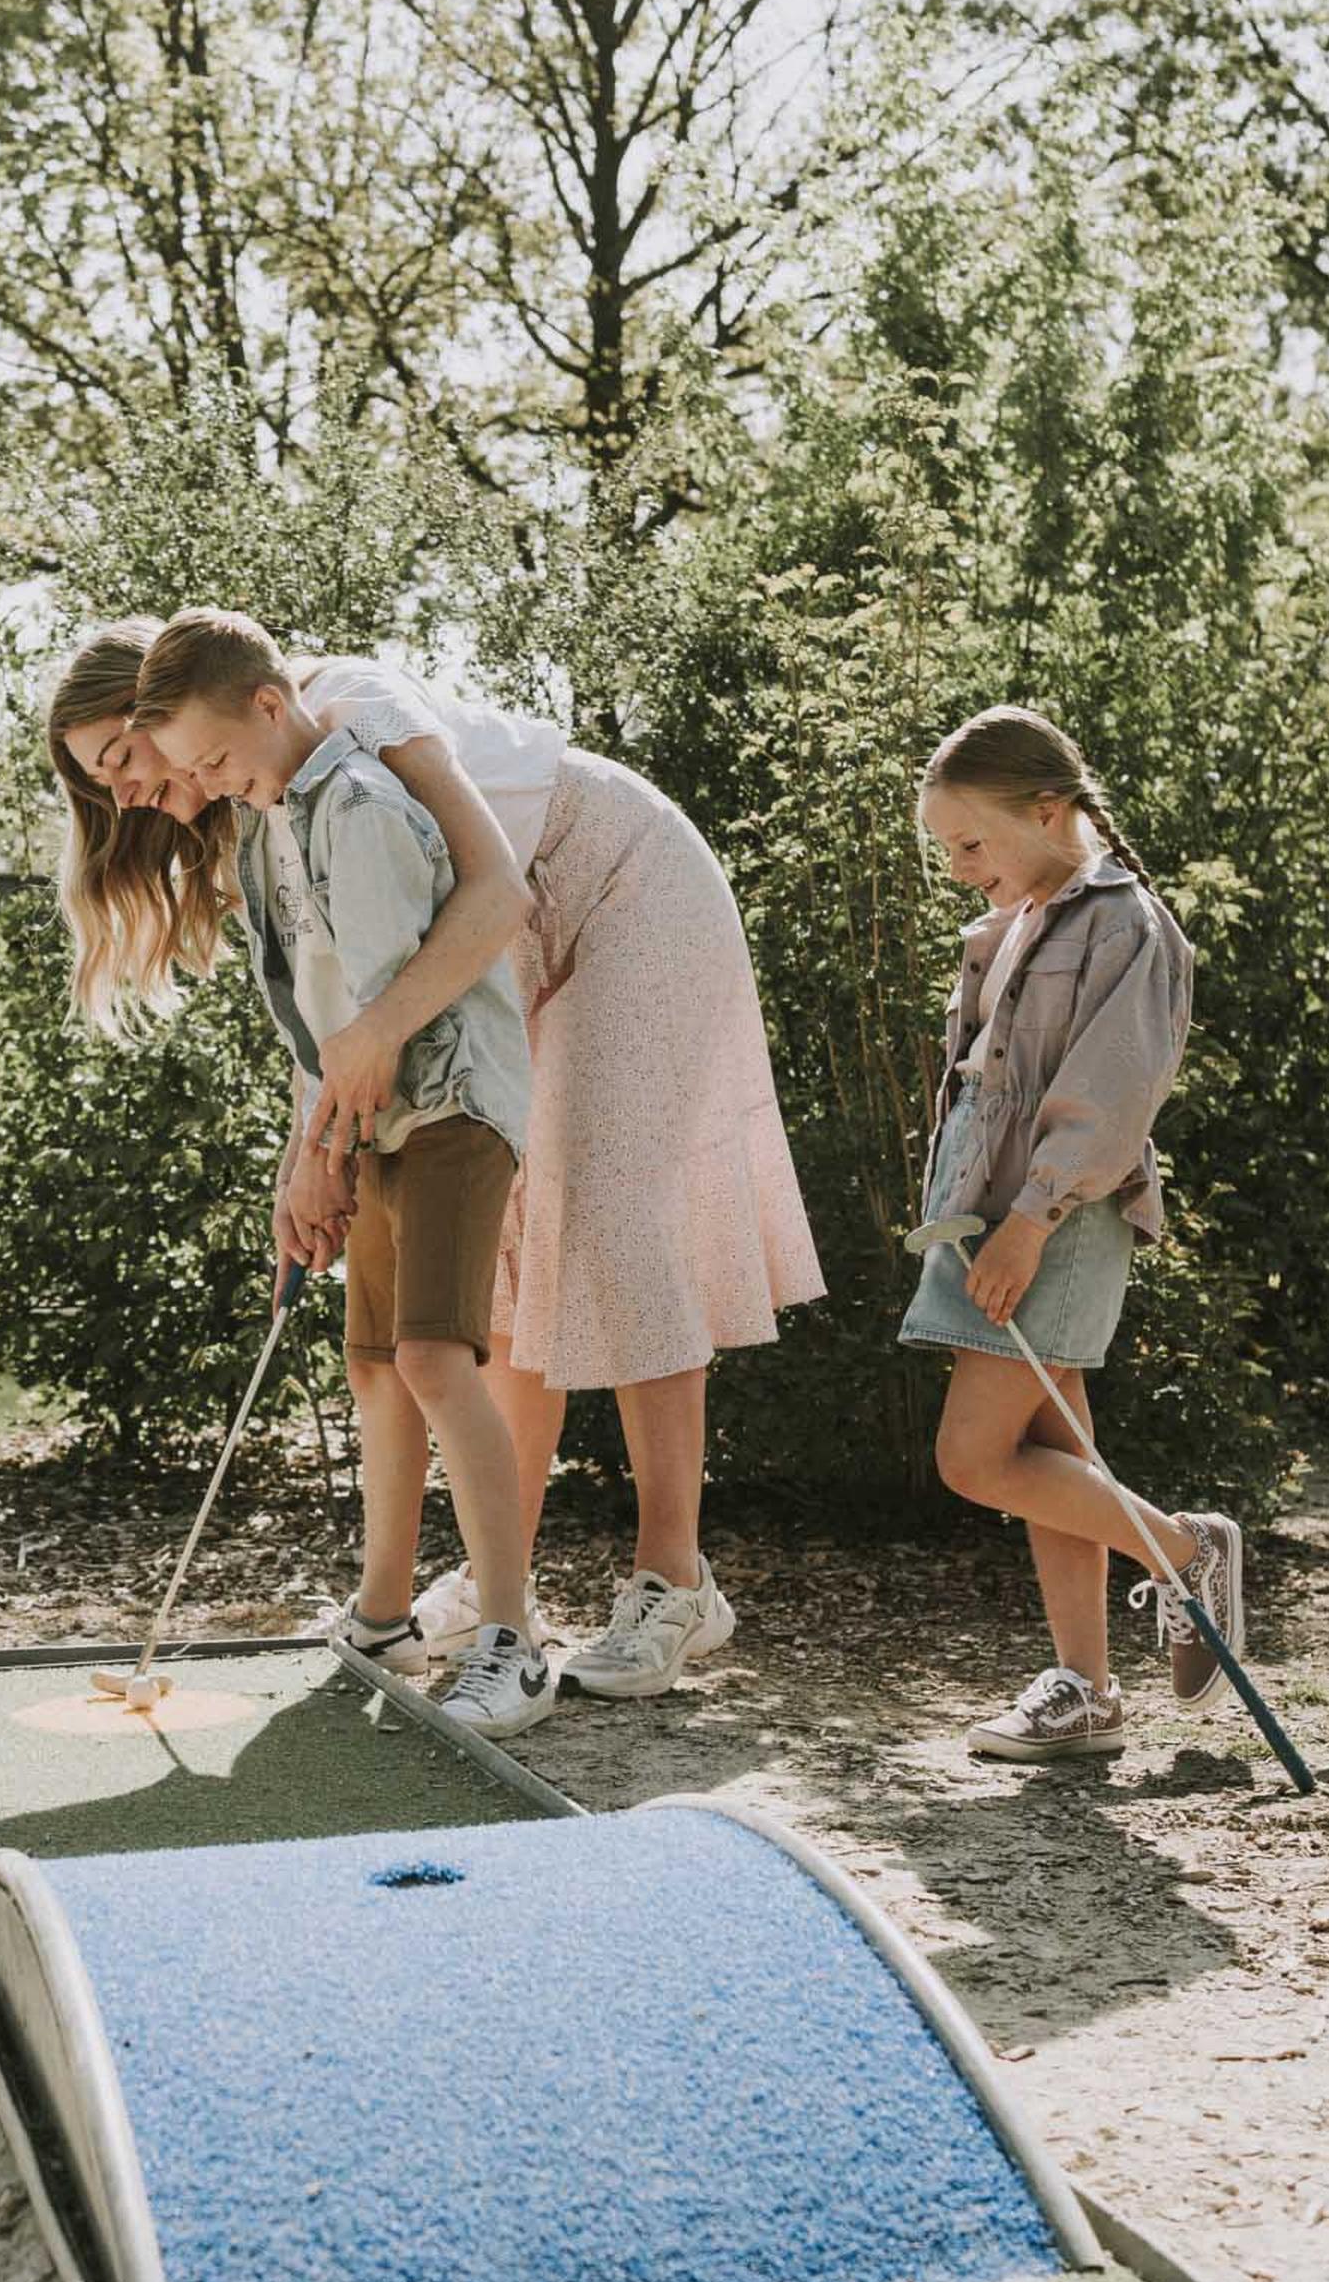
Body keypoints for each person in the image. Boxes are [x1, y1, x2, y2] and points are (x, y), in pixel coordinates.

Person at [46, 621, 823, 1702]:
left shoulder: (353, 707)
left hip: (619, 884)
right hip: (485, 973)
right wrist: (307, 1152)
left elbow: (496, 892)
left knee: (611, 1215)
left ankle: (674, 1580)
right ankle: (507, 1584)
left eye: (125, 758)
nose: (128, 793)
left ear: (169, 705)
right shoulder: (259, 802)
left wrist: (357, 1068)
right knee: (494, 1266)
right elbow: (331, 999)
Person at [123, 608, 556, 1737]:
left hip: (450, 1099)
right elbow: (318, 1026)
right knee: (376, 1364)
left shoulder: (358, 803)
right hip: (372, 1115)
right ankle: (381, 1615)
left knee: (433, 1355)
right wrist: (300, 1159)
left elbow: (383, 1018)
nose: (208, 784)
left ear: (272, 706)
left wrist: (325, 1157)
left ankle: (512, 1635)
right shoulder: (273, 817)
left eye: (214, 759)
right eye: (190, 772)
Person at [900, 706, 1243, 1763]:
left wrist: (1033, 1220)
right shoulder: (1019, 921)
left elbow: (1110, 1095)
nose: (961, 869)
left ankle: (1189, 1551)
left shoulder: (1127, 925)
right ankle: (1087, 1689)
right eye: (947, 849)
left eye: (973, 843)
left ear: (1048, 811)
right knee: (1055, 1451)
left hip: (1053, 1223)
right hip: (992, 1217)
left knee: (972, 1457)